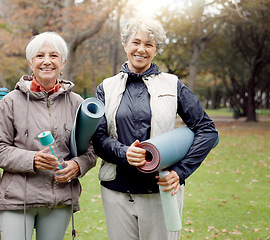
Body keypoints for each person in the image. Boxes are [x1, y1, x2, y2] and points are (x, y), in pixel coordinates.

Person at [92, 17, 219, 240]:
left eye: (149, 44)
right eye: (136, 42)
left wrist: (180, 173)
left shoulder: (173, 84)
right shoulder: (106, 87)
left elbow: (207, 131)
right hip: (116, 191)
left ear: (156, 50)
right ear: (125, 45)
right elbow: (98, 138)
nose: (141, 49)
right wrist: (124, 153)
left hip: (161, 191)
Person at [0, 31, 97, 240]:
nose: (46, 61)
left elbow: (91, 151)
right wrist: (33, 159)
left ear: (63, 61)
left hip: (59, 199)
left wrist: (77, 166)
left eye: (53, 55)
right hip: (17, 200)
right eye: (40, 56)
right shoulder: (11, 101)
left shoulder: (76, 102)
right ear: (31, 63)